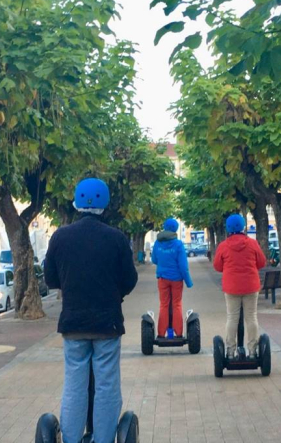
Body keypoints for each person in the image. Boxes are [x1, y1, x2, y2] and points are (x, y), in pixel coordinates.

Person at [44, 178, 138, 443]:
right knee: (107, 385)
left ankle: (72, 439)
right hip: (107, 324)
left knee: (75, 385)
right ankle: (104, 439)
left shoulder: (60, 236)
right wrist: (113, 293)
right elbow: (129, 280)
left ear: (76, 204)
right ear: (105, 206)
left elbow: (50, 278)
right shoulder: (117, 238)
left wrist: (71, 287)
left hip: (73, 324)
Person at [213, 214, 267, 358]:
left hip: (232, 287)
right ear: (243, 226)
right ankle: (253, 351)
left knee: (232, 318)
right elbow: (262, 262)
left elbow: (217, 266)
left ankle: (230, 352)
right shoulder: (252, 243)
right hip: (250, 285)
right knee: (251, 317)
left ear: (228, 228)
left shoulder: (223, 246)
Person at [151, 218, 193, 338]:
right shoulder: (178, 244)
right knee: (177, 304)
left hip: (162, 278)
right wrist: (188, 282)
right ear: (175, 229)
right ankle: (178, 333)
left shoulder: (157, 243)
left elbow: (154, 260)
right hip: (176, 280)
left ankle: (161, 334)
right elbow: (183, 266)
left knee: (164, 304)